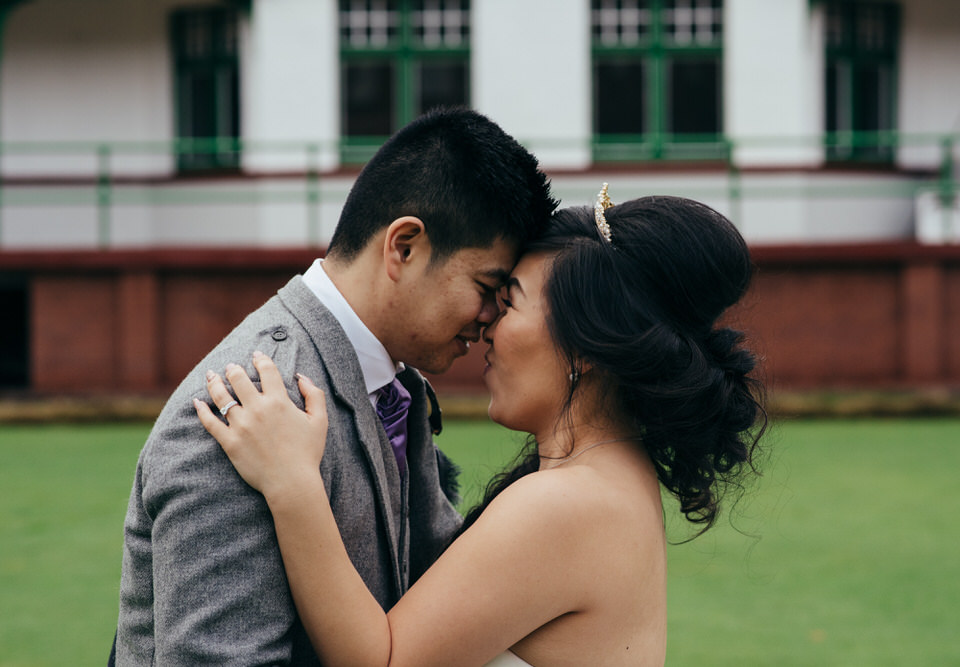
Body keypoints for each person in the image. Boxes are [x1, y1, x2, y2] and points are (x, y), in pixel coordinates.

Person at [196, 188, 768, 666]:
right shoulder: (613, 479)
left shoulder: (568, 503)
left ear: (587, 344)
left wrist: (293, 485)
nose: (486, 324)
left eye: (509, 302)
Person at [112, 107, 558, 665]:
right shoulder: (247, 407)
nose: (491, 317)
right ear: (405, 247)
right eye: (487, 286)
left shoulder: (397, 380)